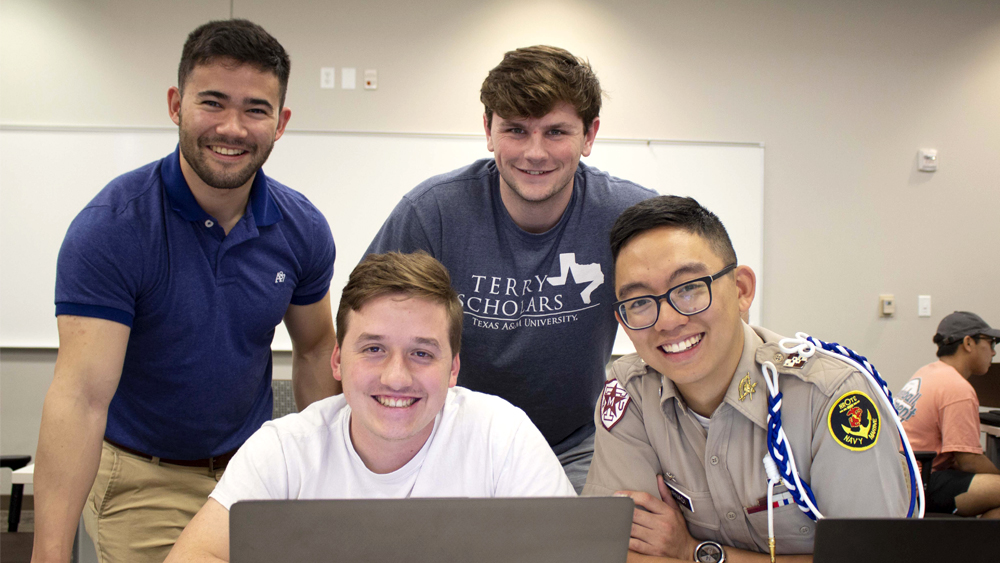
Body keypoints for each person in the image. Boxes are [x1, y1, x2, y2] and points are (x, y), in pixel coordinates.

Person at [32, 20, 339, 563]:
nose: (233, 128)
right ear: (176, 104)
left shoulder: (302, 228)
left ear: (281, 122)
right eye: (213, 103)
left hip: (254, 469)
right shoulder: (113, 229)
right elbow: (80, 399)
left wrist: (334, 475)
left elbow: (316, 349)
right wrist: (49, 553)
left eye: (255, 109)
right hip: (144, 479)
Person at [366, 45, 656, 492]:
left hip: (576, 442)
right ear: (488, 130)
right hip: (452, 439)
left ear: (590, 135)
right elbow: (364, 331)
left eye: (556, 131)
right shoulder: (432, 214)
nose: (535, 153)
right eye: (516, 130)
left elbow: (685, 314)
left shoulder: (630, 216)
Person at [164, 251, 575, 562]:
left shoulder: (502, 436)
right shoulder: (284, 450)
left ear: (454, 369)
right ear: (339, 361)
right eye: (374, 349)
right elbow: (197, 556)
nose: (396, 377)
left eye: (422, 353)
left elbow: (568, 554)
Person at [584, 196, 910, 562]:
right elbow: (622, 553)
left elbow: (870, 559)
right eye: (640, 301)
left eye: (689, 288)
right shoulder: (630, 393)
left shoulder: (830, 396)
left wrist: (695, 552)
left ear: (741, 290)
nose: (668, 321)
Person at [895, 311, 1000, 518]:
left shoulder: (927, 372)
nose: (994, 353)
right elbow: (968, 461)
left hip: (900, 477)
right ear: (968, 343)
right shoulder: (957, 388)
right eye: (991, 343)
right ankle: (978, 549)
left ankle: (977, 547)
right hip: (920, 483)